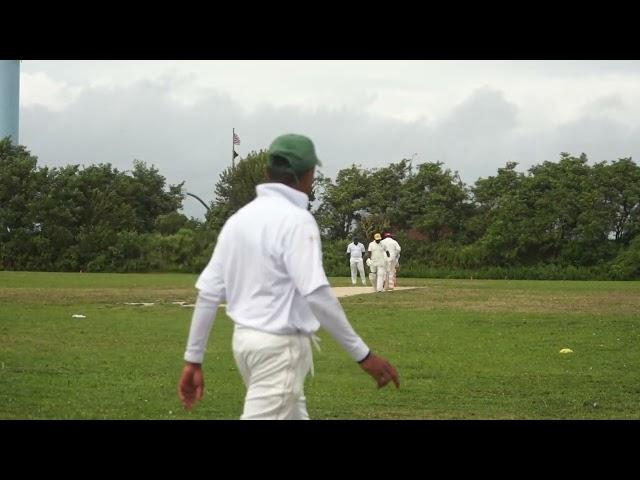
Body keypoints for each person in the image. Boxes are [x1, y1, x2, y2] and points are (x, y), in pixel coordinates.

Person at [177, 133, 399, 420]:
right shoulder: (296, 220)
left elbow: (208, 293)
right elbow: (316, 293)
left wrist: (193, 360)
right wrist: (364, 355)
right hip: (278, 349)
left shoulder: (239, 220)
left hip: (245, 343)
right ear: (308, 174)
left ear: (267, 171)